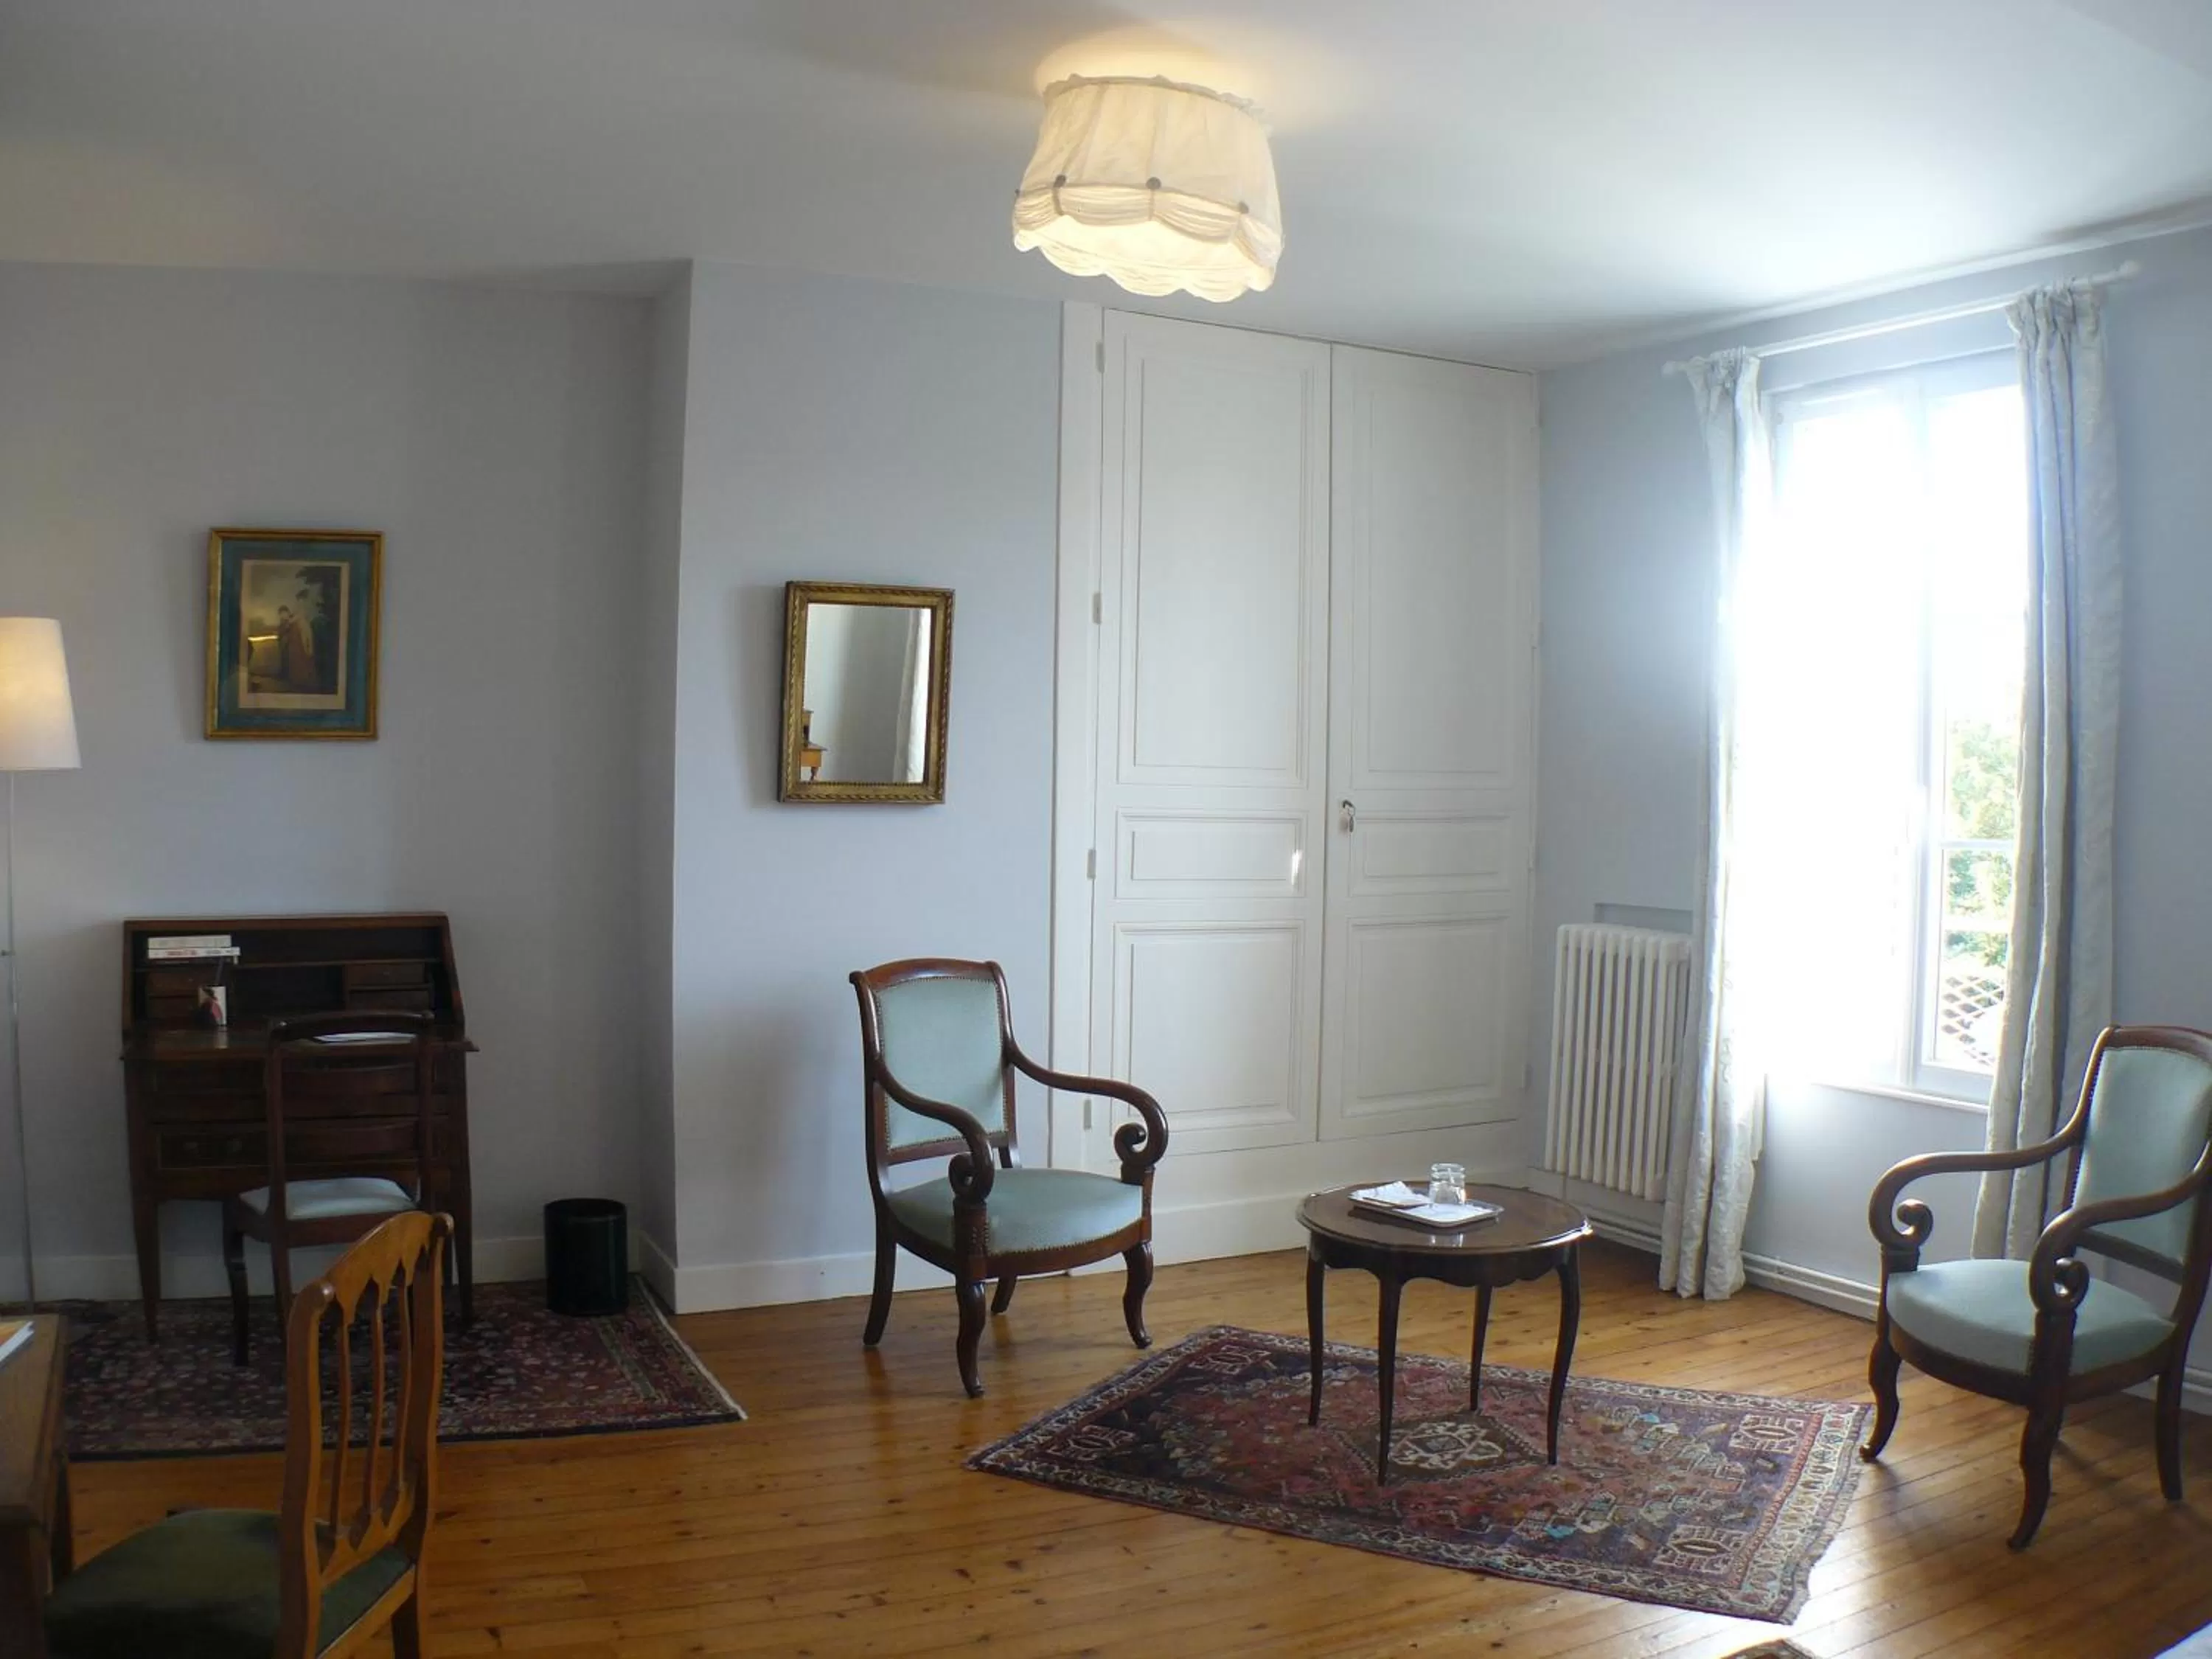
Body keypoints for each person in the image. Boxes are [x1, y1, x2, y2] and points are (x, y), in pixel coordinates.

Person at [276, 603, 318, 692]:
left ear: (288, 612)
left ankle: (304, 683)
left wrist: (308, 646)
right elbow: (281, 635)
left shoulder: (297, 621)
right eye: (281, 614)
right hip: (291, 649)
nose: (283, 616)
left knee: (303, 665)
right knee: (294, 667)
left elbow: (306, 634)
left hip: (299, 647)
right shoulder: (285, 624)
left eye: (284, 613)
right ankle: (296, 682)